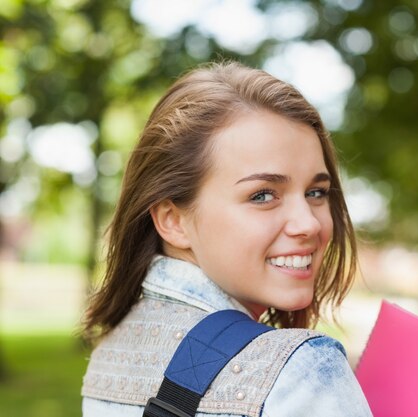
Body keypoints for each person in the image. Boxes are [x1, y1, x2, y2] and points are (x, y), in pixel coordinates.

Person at [81, 61, 373, 417]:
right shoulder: (302, 368)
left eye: (316, 192)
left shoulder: (111, 350)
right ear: (174, 221)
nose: (308, 224)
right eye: (263, 195)